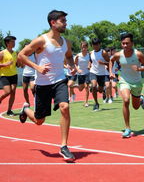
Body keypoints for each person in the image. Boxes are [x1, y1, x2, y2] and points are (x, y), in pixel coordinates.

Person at [18, 10, 76, 161]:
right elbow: (21, 55)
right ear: (53, 22)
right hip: (43, 83)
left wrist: (72, 66)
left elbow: (69, 56)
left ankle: (64, 146)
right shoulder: (41, 41)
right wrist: (37, 68)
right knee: (39, 121)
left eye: (65, 20)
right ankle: (25, 109)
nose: (65, 23)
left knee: (65, 106)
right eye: (62, 21)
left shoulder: (66, 42)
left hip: (60, 80)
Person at [109, 33, 144, 138]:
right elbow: (111, 60)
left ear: (132, 43)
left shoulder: (138, 54)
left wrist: (139, 69)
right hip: (124, 80)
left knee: (135, 107)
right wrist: (111, 72)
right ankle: (127, 128)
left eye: (127, 43)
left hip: (136, 82)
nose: (125, 45)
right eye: (123, 43)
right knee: (126, 100)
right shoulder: (118, 55)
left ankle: (140, 99)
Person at [0, 36, 19, 116]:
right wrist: (5, 64)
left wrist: (20, 63)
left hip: (14, 74)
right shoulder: (2, 53)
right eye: (12, 42)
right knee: (8, 92)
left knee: (13, 92)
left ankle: (9, 110)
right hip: (4, 75)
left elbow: (16, 64)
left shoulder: (15, 53)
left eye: (14, 42)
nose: (14, 43)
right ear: (7, 43)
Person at [89, 38, 109, 111]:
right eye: (94, 45)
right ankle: (96, 103)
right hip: (93, 72)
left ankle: (103, 90)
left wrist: (103, 63)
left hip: (101, 73)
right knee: (94, 86)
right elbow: (90, 61)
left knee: (99, 90)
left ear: (99, 44)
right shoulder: (91, 53)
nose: (95, 46)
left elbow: (110, 63)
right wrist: (89, 65)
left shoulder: (103, 53)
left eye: (97, 45)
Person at [74, 41, 91, 107]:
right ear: (81, 47)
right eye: (82, 47)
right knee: (80, 89)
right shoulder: (78, 55)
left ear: (87, 47)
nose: (83, 48)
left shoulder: (89, 55)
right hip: (80, 73)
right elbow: (75, 64)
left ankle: (86, 102)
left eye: (85, 47)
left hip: (87, 72)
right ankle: (75, 86)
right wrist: (78, 69)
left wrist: (89, 65)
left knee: (87, 87)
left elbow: (90, 61)